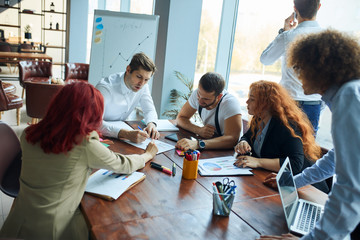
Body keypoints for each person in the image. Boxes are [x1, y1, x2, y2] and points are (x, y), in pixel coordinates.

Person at [0, 81, 158, 240]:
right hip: (53, 229)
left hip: (17, 222)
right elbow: (123, 164)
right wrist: (147, 155)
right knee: (105, 221)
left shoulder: (29, 133)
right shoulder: (84, 144)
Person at [259, 30, 360, 240]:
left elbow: (349, 189)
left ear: (320, 69)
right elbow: (333, 160)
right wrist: (293, 182)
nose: (296, 74)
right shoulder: (345, 95)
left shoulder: (349, 97)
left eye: (299, 68)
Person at [233, 81, 328, 193]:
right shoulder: (259, 119)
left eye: (252, 99)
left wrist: (258, 162)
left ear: (266, 104)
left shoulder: (287, 126)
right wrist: (243, 142)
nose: (247, 101)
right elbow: (247, 137)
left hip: (307, 188)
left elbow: (295, 164)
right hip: (278, 182)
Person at [260, 0, 322, 133]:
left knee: (280, 147)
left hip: (289, 101)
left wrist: (283, 31)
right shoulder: (328, 37)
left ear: (295, 9)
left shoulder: (288, 36)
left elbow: (265, 59)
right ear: (319, 7)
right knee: (307, 150)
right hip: (314, 103)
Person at [96, 52, 160, 143]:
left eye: (146, 79)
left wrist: (152, 124)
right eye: (138, 77)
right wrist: (126, 134)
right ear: (128, 69)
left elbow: (150, 110)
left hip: (124, 137)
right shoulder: (105, 88)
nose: (141, 83)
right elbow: (95, 122)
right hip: (102, 137)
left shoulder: (143, 86)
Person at [175, 72, 242, 151]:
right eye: (199, 95)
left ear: (219, 96)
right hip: (209, 146)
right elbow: (180, 118)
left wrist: (199, 144)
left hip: (228, 152)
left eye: (206, 99)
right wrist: (198, 130)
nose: (200, 101)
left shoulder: (230, 103)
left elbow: (232, 139)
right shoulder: (198, 94)